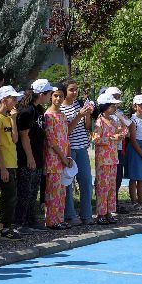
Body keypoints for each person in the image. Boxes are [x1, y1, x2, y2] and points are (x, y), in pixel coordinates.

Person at [15, 80, 54, 234]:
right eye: (49, 93)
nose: (50, 96)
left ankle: (30, 219)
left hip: (37, 156)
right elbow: (24, 135)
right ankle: (19, 222)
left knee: (33, 191)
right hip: (26, 158)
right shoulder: (27, 111)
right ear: (41, 94)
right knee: (24, 191)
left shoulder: (38, 109)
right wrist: (30, 157)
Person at [60, 80, 95, 225]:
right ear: (64, 92)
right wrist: (79, 115)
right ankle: (70, 215)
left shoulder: (79, 104)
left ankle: (86, 214)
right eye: (71, 90)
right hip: (68, 148)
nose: (75, 92)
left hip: (82, 148)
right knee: (68, 182)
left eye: (76, 89)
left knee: (86, 181)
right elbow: (66, 131)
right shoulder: (60, 108)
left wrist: (87, 114)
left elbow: (87, 127)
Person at [0, 86, 24, 240]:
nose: (16, 101)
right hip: (4, 163)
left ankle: (5, 226)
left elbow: (15, 139)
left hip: (13, 161)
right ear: (4, 100)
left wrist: (13, 120)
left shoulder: (10, 117)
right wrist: (2, 167)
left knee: (11, 195)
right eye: (13, 98)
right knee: (9, 196)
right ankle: (4, 226)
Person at [43, 86, 73, 229]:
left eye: (61, 96)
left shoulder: (62, 115)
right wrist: (62, 156)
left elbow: (65, 137)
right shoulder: (48, 115)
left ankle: (59, 219)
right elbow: (51, 140)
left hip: (64, 158)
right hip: (54, 158)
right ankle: (51, 220)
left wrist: (67, 155)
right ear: (50, 97)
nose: (58, 99)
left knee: (62, 191)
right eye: (55, 95)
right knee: (53, 191)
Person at [92, 93, 124, 224]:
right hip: (103, 159)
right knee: (102, 187)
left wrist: (121, 133)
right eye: (112, 106)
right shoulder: (99, 121)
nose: (114, 108)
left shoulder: (112, 120)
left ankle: (109, 212)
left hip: (113, 157)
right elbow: (96, 138)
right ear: (105, 106)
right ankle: (101, 213)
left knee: (111, 186)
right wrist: (112, 138)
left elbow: (119, 131)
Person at [126, 95, 142, 210]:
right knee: (134, 176)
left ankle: (141, 201)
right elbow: (133, 139)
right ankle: (134, 201)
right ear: (134, 106)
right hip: (135, 149)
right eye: (140, 104)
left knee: (141, 177)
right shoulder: (132, 120)